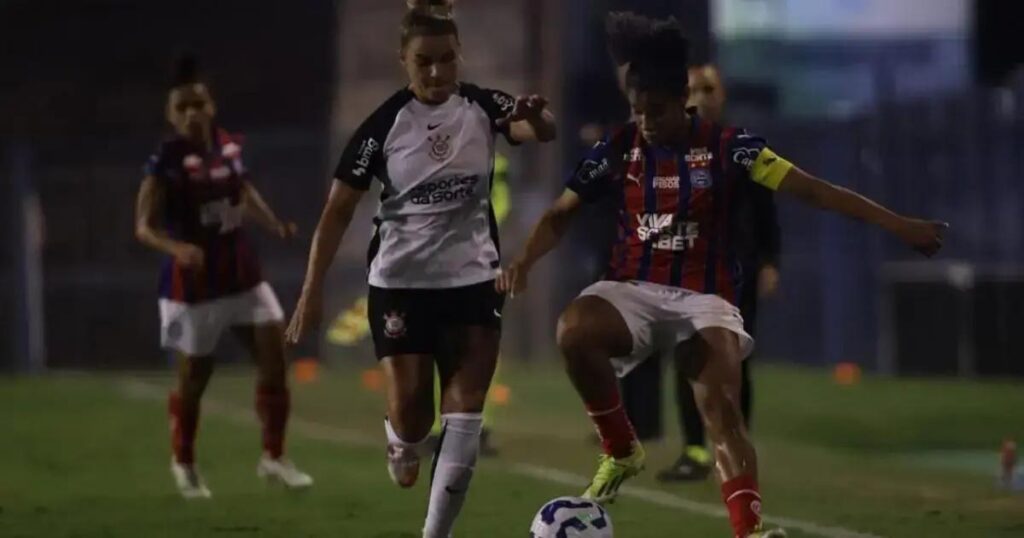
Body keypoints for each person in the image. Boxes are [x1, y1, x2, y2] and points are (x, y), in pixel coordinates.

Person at [496, 16, 944, 538]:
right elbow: (559, 214)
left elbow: (816, 190)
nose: (645, 122)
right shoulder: (620, 148)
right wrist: (524, 263)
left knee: (721, 408)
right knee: (573, 331)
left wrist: (899, 224)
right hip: (631, 290)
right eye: (637, 111)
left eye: (656, 111)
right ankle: (621, 448)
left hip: (705, 300)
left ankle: (748, 531)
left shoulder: (733, 148)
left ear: (682, 96)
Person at [285, 2, 556, 536]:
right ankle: (400, 440)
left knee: (466, 412)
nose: (436, 72)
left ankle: (436, 533)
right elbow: (337, 210)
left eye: (446, 59)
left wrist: (536, 114)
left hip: (474, 281)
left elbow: (537, 130)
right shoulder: (382, 126)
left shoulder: (483, 106)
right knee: (414, 417)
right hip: (402, 288)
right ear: (404, 61)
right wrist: (310, 292)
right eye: (424, 61)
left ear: (460, 57)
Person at [134, 55, 312, 499]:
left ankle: (274, 457)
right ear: (172, 116)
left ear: (212, 105)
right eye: (183, 107)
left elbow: (243, 191)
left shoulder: (228, 147)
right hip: (194, 286)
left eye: (199, 103)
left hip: (242, 272)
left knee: (275, 358)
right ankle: (185, 462)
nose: (193, 112)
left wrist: (272, 223)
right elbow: (143, 225)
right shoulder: (166, 162)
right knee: (195, 378)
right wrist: (176, 248)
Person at [657, 62, 781, 482]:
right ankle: (694, 451)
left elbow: (767, 211)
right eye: (693, 88)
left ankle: (734, 447)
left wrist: (770, 261)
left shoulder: (743, 147)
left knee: (735, 361)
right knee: (686, 357)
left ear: (721, 94)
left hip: (736, 269)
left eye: (708, 88)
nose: (701, 96)